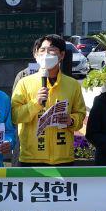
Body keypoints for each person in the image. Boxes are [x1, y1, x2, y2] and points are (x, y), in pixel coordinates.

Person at [12, 34, 86, 167]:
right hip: (31, 158)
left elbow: (80, 115)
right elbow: (15, 116)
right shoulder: (24, 83)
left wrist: (71, 120)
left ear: (62, 55)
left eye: (52, 50)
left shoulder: (72, 84)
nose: (46, 54)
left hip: (63, 158)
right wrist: (35, 104)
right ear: (35, 54)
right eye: (42, 50)